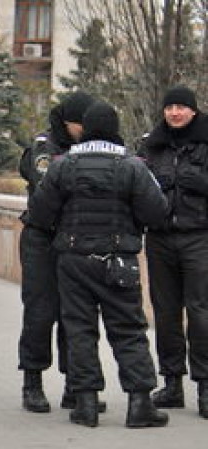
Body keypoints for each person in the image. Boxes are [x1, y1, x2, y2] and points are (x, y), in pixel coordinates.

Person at [26, 101, 171, 428]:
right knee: (129, 330)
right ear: (115, 129)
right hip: (119, 259)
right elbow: (157, 212)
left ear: (86, 128)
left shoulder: (64, 165)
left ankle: (86, 403)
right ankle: (139, 404)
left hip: (74, 259)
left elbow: (40, 212)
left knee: (79, 329)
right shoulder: (133, 166)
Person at [16, 91, 94, 413]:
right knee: (40, 311)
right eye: (80, 124)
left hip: (76, 240)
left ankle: (73, 386)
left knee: (74, 314)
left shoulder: (87, 146)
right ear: (67, 121)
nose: (85, 130)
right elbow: (49, 187)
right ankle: (32, 383)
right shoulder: (44, 147)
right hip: (42, 239)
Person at [138, 85, 208, 418]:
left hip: (200, 237)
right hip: (161, 238)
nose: (175, 113)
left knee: (200, 312)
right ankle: (172, 383)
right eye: (170, 107)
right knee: (165, 313)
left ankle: (205, 386)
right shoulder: (152, 145)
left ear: (193, 110)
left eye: (181, 107)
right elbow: (138, 187)